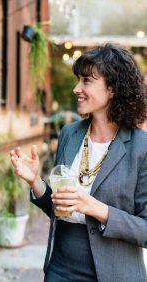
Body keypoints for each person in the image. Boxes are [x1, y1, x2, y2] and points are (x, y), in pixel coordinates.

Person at [10, 43, 147, 281]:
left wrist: (95, 208)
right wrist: (35, 181)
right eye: (78, 80)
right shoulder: (69, 134)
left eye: (86, 81)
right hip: (61, 267)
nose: (76, 89)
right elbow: (58, 206)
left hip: (115, 272)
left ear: (112, 89)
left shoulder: (141, 146)